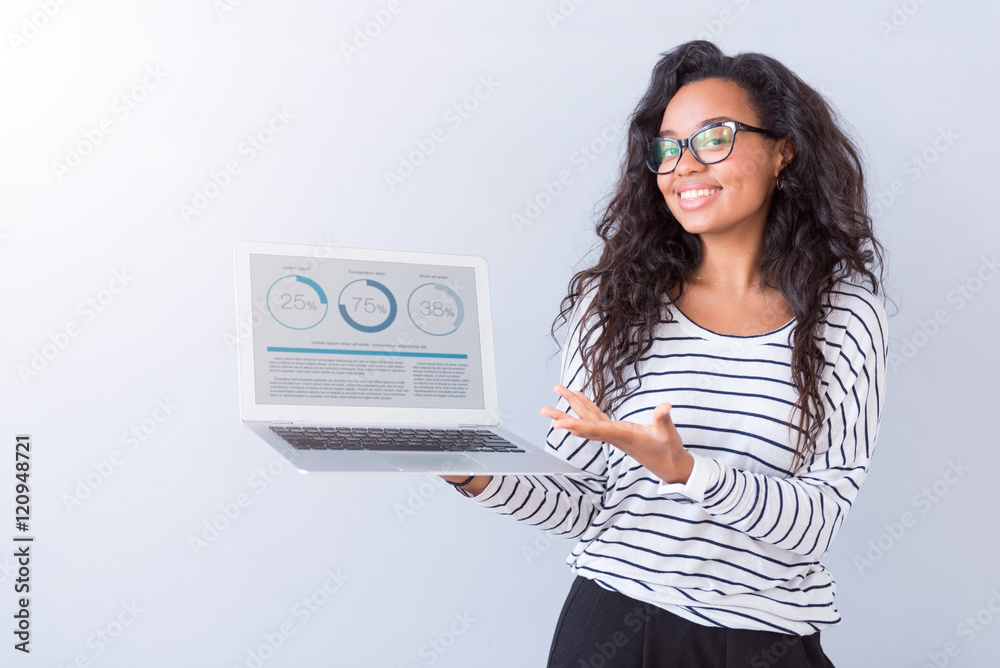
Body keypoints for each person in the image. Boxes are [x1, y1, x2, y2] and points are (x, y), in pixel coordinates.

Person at [442, 39, 890, 667]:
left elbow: (816, 522)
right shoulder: (618, 302)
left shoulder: (842, 314)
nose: (683, 165)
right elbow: (584, 504)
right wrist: (467, 468)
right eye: (668, 147)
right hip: (616, 628)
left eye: (714, 139)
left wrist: (687, 470)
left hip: (768, 639)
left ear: (784, 150)